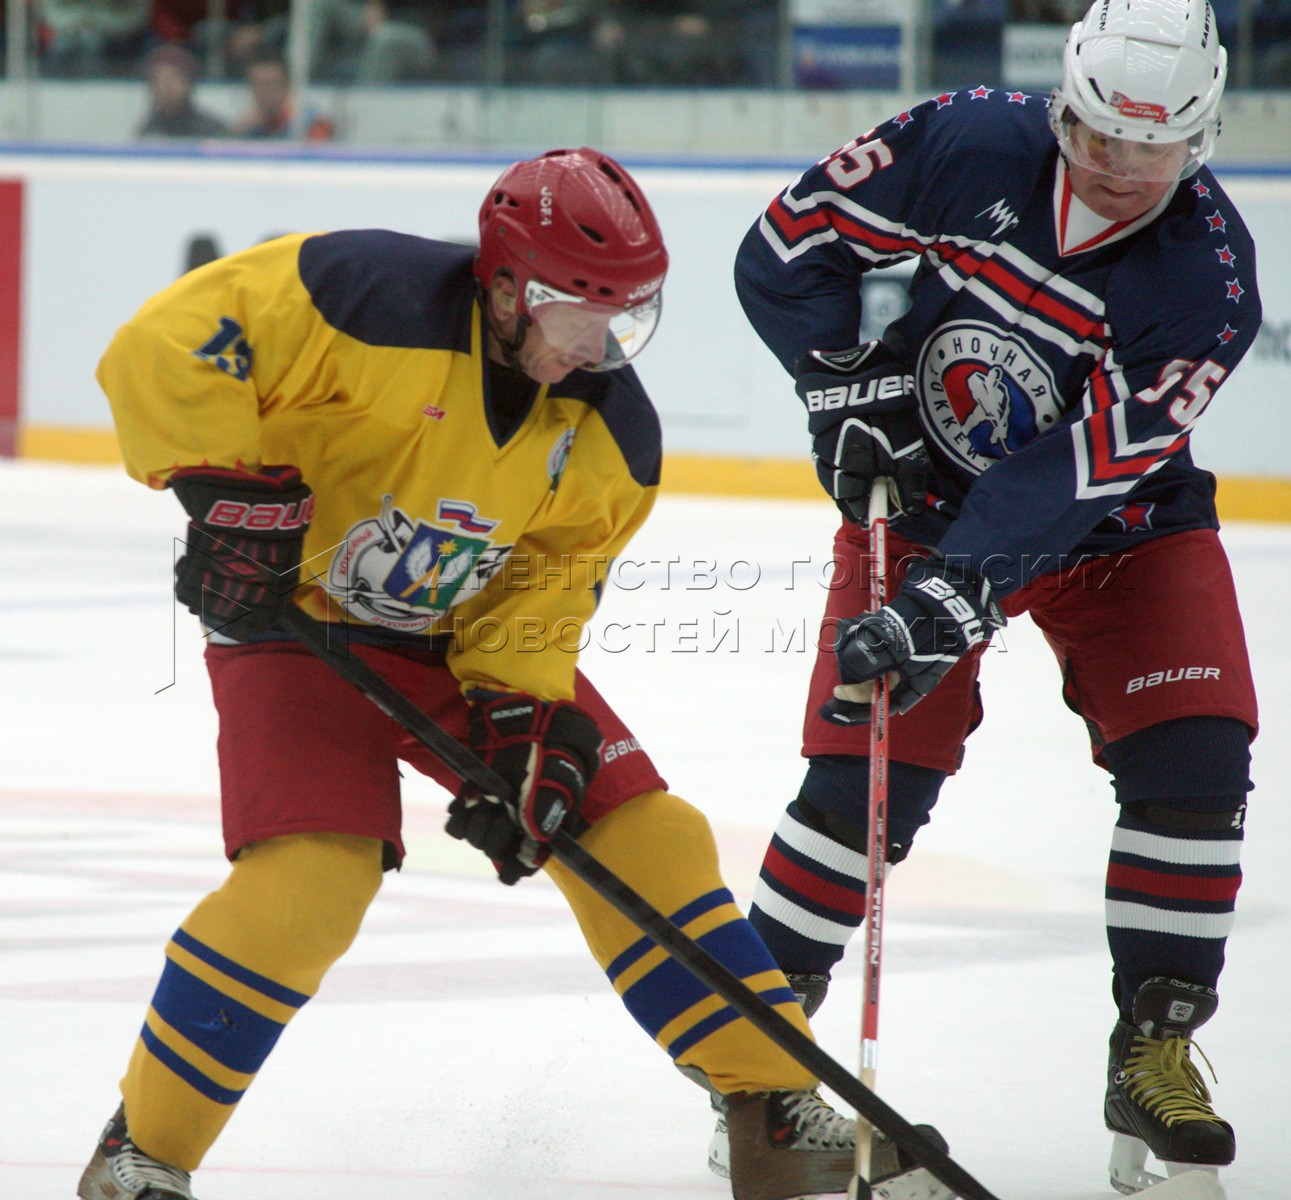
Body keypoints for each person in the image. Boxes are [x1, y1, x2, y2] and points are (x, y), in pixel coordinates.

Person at [79, 147, 948, 1200]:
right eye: (571, 311)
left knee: (645, 831)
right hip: (292, 625)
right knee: (312, 879)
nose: (595, 343)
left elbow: (539, 598)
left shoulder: (612, 434)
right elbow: (163, 347)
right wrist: (223, 489)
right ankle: (143, 1155)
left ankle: (770, 1105)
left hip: (450, 643)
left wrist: (521, 728)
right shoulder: (363, 293)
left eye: (623, 318)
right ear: (499, 284)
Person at [729, 0, 1258, 1192]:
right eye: (1091, 131)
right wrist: (837, 388)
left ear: (1201, 137)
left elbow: (1073, 478)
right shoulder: (967, 139)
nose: (1116, 165)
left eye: (1151, 144)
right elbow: (784, 248)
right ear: (1057, 98)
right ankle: (754, 1058)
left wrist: (950, 598)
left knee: (1197, 757)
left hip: (1118, 527)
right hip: (915, 494)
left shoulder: (1208, 289)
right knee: (867, 771)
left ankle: (1154, 1045)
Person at [231, 48, 335, 141]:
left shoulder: (312, 123)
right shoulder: (247, 127)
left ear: (287, 86)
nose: (265, 92)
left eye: (271, 84)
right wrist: (237, 132)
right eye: (258, 85)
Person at [136, 43, 229, 140]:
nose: (165, 87)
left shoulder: (211, 130)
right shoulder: (148, 131)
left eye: (172, 79)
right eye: (158, 80)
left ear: (188, 83)